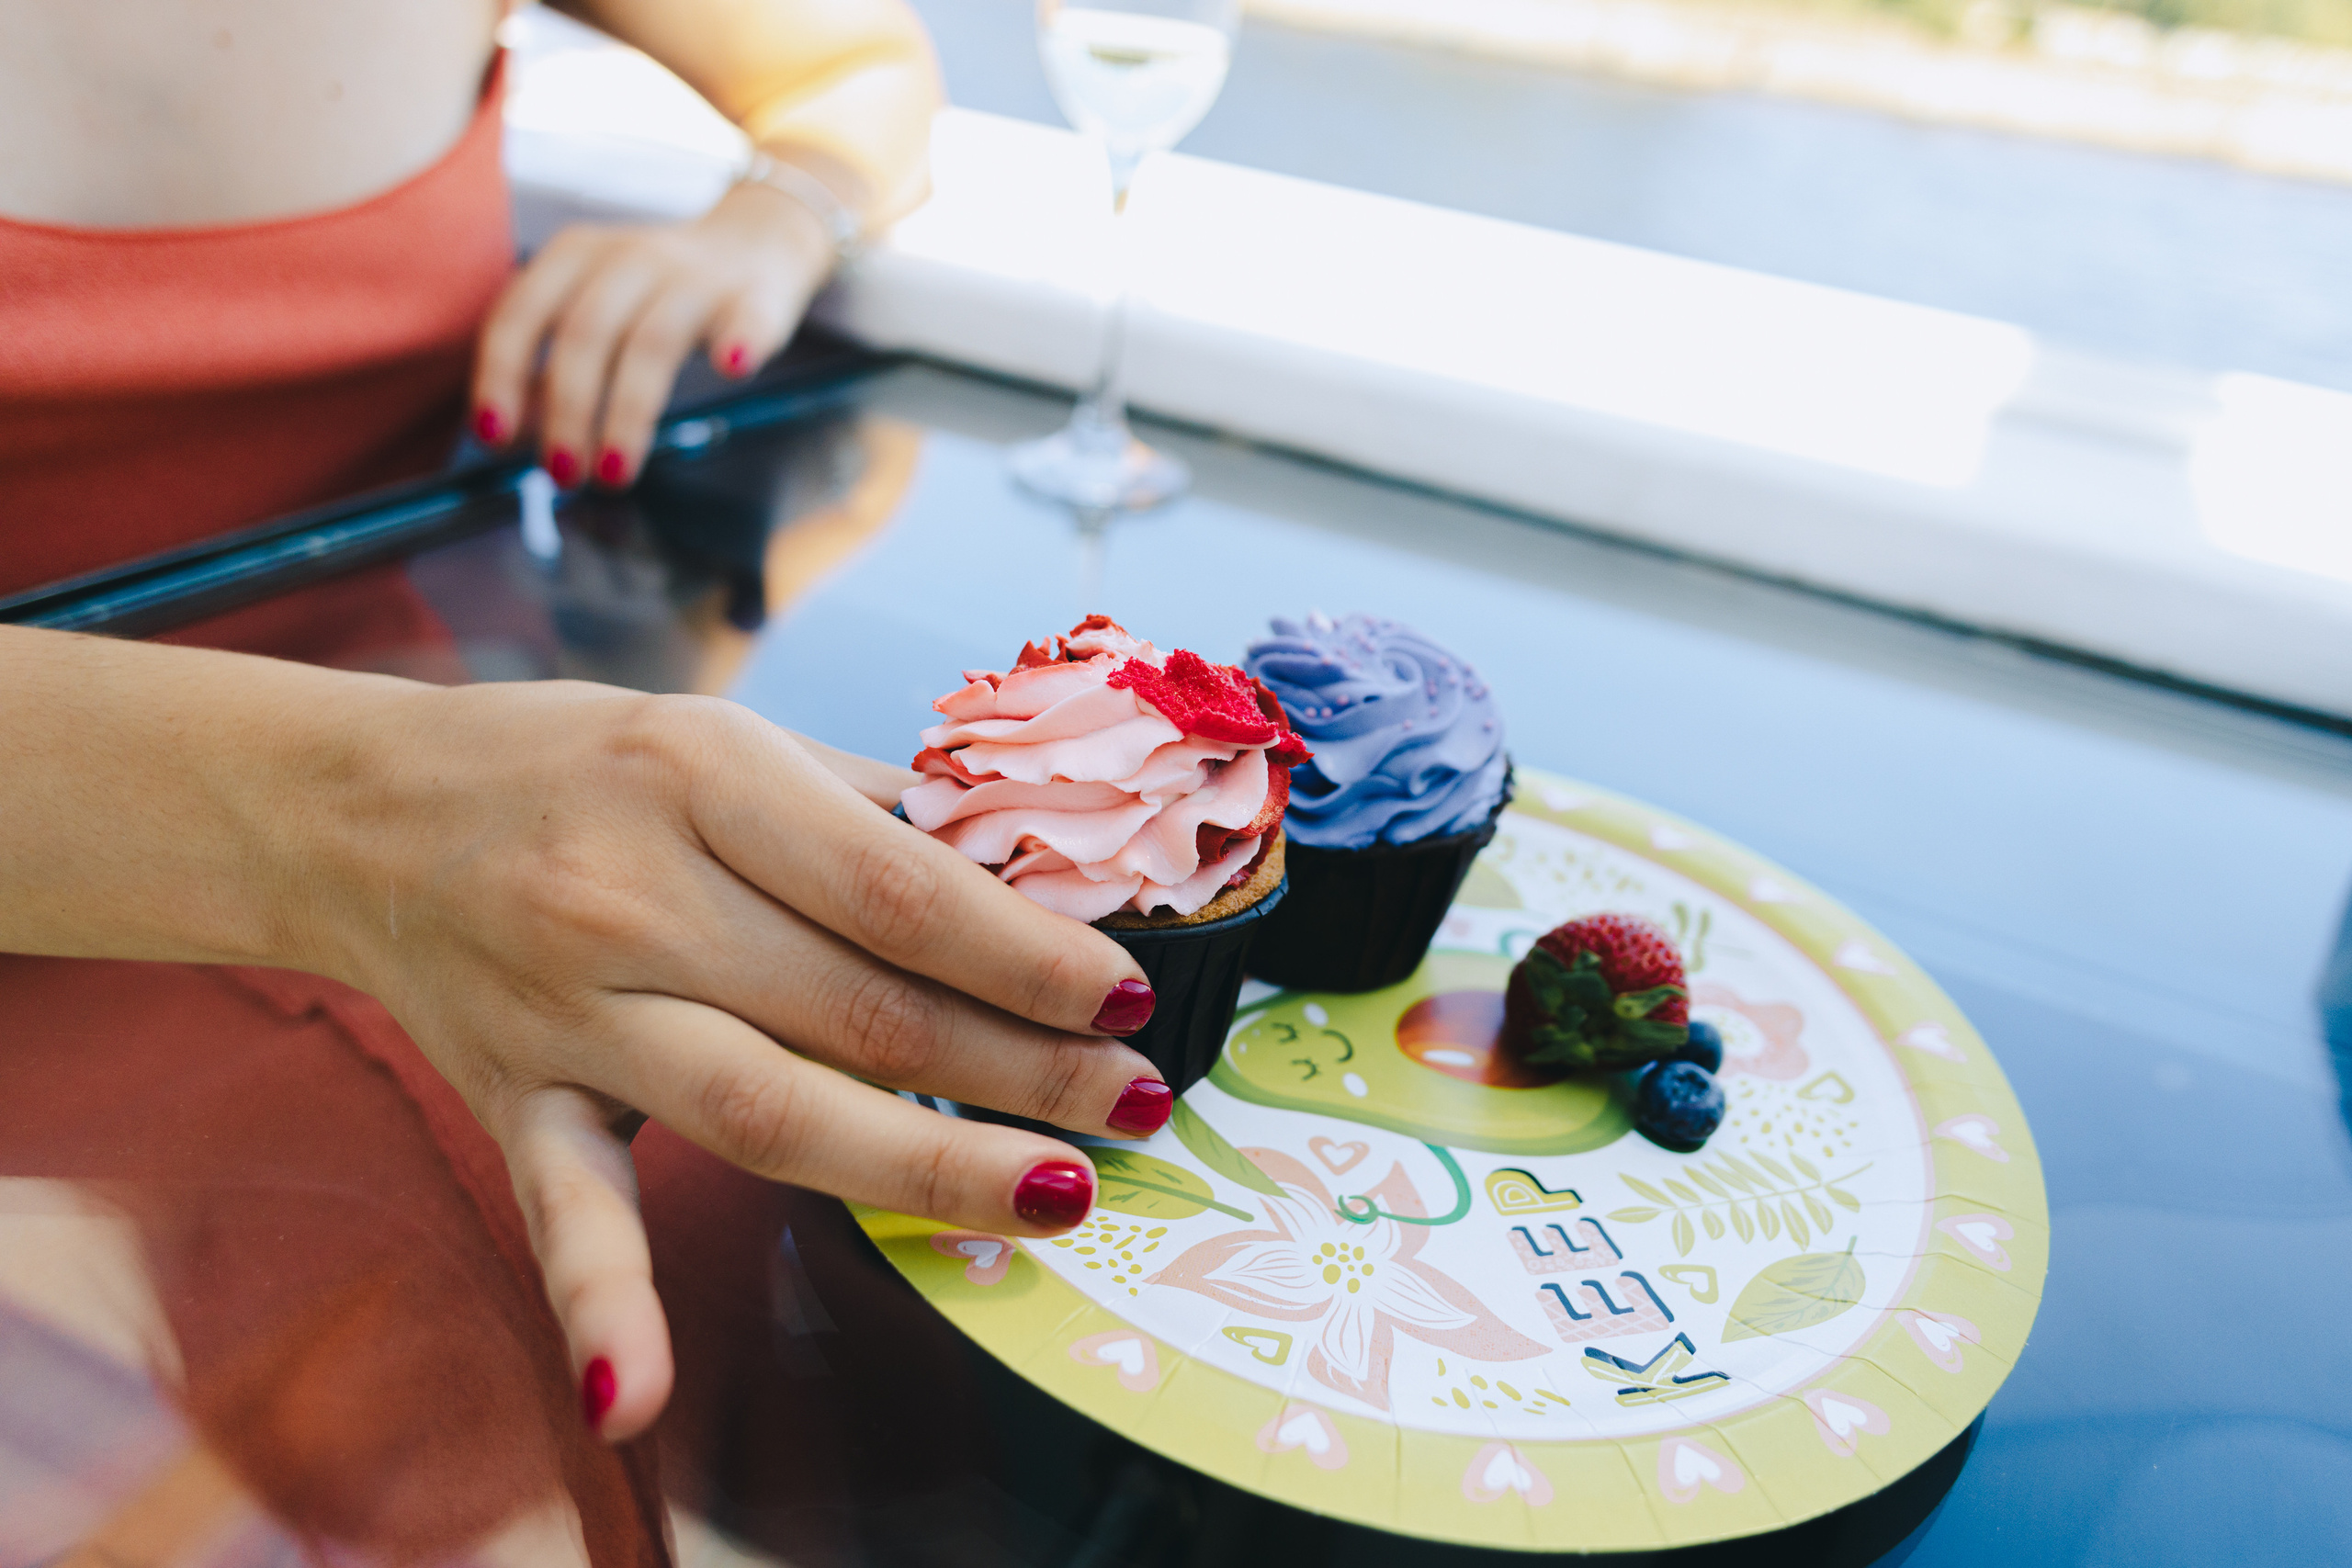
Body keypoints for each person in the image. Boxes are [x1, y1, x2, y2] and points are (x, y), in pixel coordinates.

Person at [0, 0, 1173, 1552]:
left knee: (892, 1278)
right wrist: (361, 830)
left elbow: (853, 69)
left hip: (463, 844)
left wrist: (770, 224)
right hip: (273, 862)